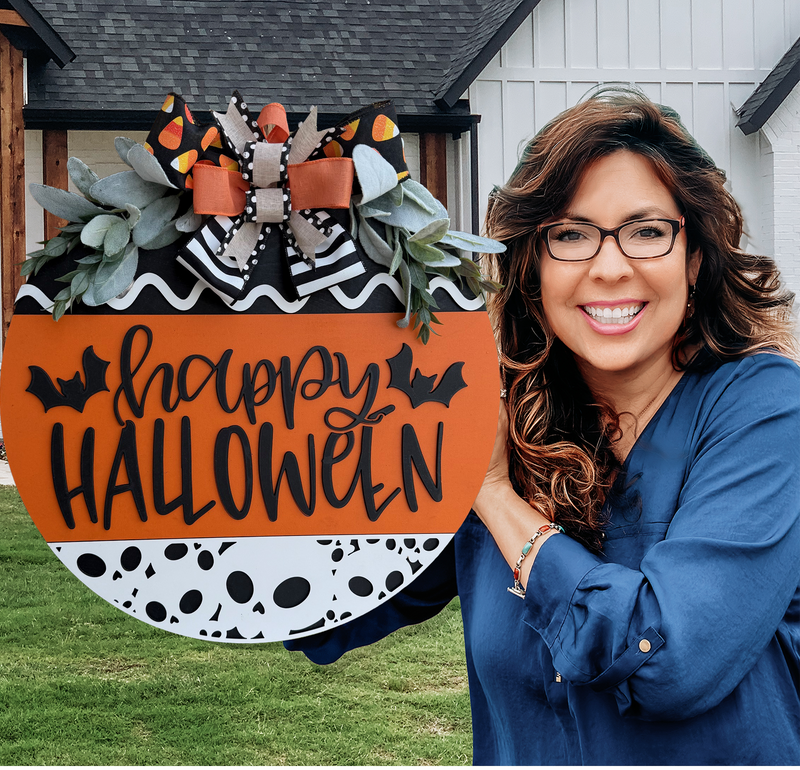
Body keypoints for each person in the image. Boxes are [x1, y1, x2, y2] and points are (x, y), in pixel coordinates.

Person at [285, 87, 800, 766]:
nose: (610, 267)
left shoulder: (764, 411)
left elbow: (670, 660)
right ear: (531, 266)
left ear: (694, 257)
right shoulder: (502, 416)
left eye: (647, 231)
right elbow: (332, 604)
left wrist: (495, 495)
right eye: (570, 234)